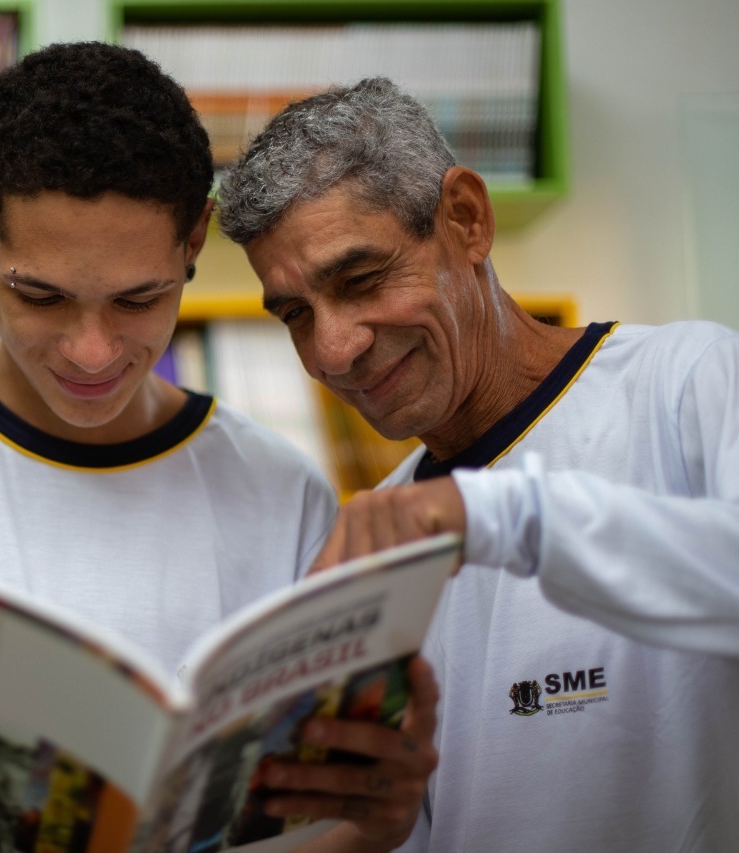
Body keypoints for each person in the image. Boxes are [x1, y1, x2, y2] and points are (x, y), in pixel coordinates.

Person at [0, 42, 436, 851]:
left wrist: (373, 819)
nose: (92, 351)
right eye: (41, 295)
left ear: (196, 238)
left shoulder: (281, 495)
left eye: (139, 298)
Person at [217, 76, 739, 851]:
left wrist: (490, 515)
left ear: (466, 220)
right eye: (296, 314)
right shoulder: (379, 547)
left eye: (359, 280)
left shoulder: (687, 381)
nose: (332, 350)